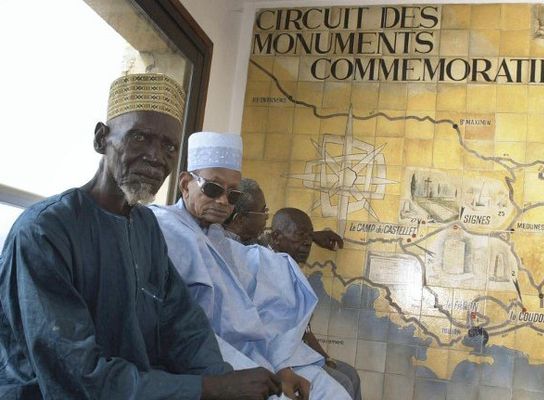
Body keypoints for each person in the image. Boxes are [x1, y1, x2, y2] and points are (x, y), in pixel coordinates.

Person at [0, 73, 281, 400]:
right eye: (139, 138)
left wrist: (224, 380)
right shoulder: (45, 231)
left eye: (169, 146)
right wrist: (210, 388)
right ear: (100, 139)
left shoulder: (146, 226)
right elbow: (74, 375)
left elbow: (183, 327)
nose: (155, 157)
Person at [151, 132, 351, 400]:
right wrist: (257, 371)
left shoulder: (218, 239)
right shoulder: (164, 230)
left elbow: (254, 307)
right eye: (213, 188)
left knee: (332, 393)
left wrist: (280, 367)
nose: (223, 201)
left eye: (232, 194)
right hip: (207, 362)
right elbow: (182, 330)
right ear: (186, 184)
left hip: (253, 353)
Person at [268, 208, 362, 400]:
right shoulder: (265, 266)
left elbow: (305, 329)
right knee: (342, 382)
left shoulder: (290, 266)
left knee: (350, 374)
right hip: (276, 358)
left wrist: (326, 357)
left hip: (298, 354)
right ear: (276, 237)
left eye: (309, 238)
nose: (307, 244)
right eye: (300, 236)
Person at [224, 178, 344, 250]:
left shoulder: (250, 239)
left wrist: (310, 235)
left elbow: (273, 238)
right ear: (240, 220)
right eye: (262, 211)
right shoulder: (225, 249)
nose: (266, 216)